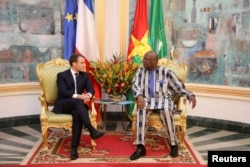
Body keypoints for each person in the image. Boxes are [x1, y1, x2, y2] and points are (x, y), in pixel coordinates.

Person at [130, 51, 196, 161]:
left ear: (155, 61)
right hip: (146, 99)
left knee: (166, 110)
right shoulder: (140, 71)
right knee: (141, 110)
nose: (144, 61)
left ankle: (174, 144)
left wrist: (190, 95)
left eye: (147, 60)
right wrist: (139, 95)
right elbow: (135, 85)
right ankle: (140, 147)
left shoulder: (166, 72)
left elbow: (179, 87)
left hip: (163, 99)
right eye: (144, 59)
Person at [53, 53, 104, 160]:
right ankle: (91, 129)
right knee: (77, 101)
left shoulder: (84, 75)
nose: (84, 65)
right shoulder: (61, 75)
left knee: (77, 114)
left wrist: (88, 95)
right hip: (64, 104)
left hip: (77, 106)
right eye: (82, 63)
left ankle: (74, 148)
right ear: (74, 64)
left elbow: (91, 89)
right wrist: (79, 96)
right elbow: (62, 92)